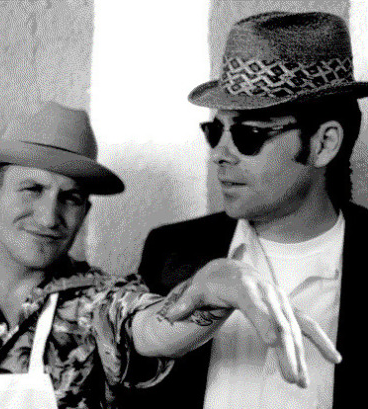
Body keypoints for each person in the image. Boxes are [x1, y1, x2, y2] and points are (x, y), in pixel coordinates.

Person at [0, 101, 339, 409]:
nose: (49, 217)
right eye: (32, 189)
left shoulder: (100, 302)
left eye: (71, 198)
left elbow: (154, 329)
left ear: (85, 212)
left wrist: (214, 288)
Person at [136, 11, 368, 409]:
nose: (219, 155)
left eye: (249, 134)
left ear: (323, 144)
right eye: (215, 131)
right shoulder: (172, 252)